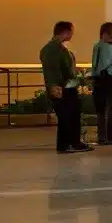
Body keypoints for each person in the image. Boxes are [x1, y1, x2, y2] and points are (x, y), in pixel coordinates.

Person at [41, 20, 90, 154]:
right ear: (66, 31)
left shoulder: (60, 48)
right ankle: (65, 144)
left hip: (68, 87)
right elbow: (53, 70)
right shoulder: (52, 49)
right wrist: (55, 86)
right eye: (71, 31)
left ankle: (74, 142)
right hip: (62, 88)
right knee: (65, 116)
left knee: (73, 115)